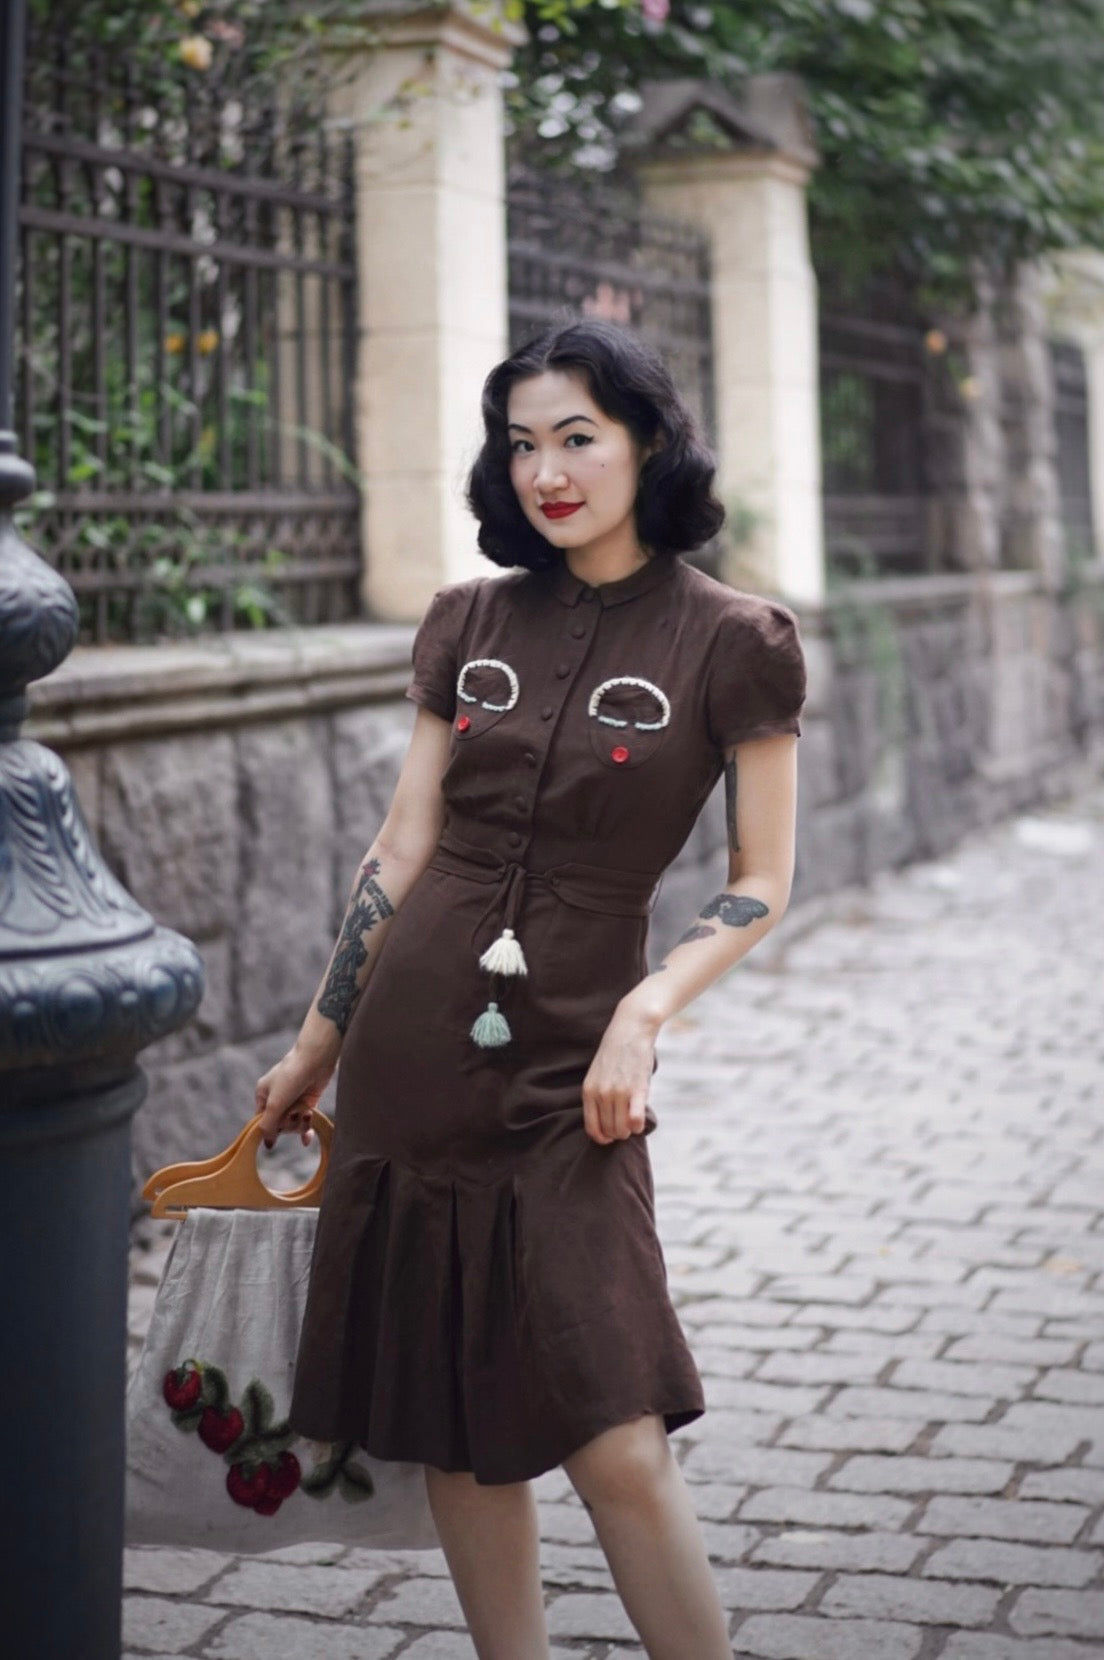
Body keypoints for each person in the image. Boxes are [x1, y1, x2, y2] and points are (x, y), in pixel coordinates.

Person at [254, 315, 806, 1658]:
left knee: (616, 1438)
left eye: (578, 438)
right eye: (521, 445)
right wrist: (320, 1038)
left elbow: (763, 879)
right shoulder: (465, 621)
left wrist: (645, 1009)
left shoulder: (738, 640)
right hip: (408, 1055)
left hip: (573, 1073)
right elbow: (404, 843)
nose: (547, 472)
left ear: (650, 442)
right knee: (460, 1426)